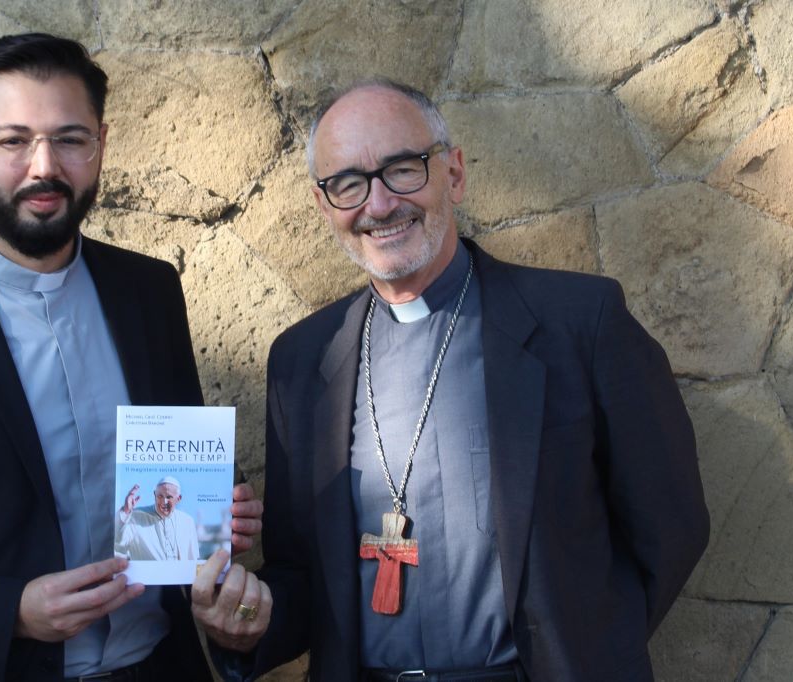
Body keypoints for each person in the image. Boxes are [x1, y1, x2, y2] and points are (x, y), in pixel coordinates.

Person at [242, 80, 710, 681]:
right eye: (348, 184)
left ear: (454, 174)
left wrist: (592, 648)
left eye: (403, 169)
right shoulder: (300, 362)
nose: (379, 205)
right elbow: (300, 574)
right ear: (324, 205)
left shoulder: (580, 323)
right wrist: (247, 621)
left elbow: (670, 525)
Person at [0, 33, 262, 681]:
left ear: (101, 145)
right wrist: (6, 611)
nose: (44, 166)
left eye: (70, 138)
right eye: (11, 140)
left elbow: (170, 495)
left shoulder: (149, 292)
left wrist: (211, 519)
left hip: (157, 666)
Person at [116, 477, 200, 561]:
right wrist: (125, 512)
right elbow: (118, 543)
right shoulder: (136, 516)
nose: (164, 502)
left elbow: (194, 559)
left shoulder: (187, 521)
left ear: (178, 499)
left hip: (180, 574)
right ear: (154, 495)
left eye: (169, 497)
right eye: (160, 496)